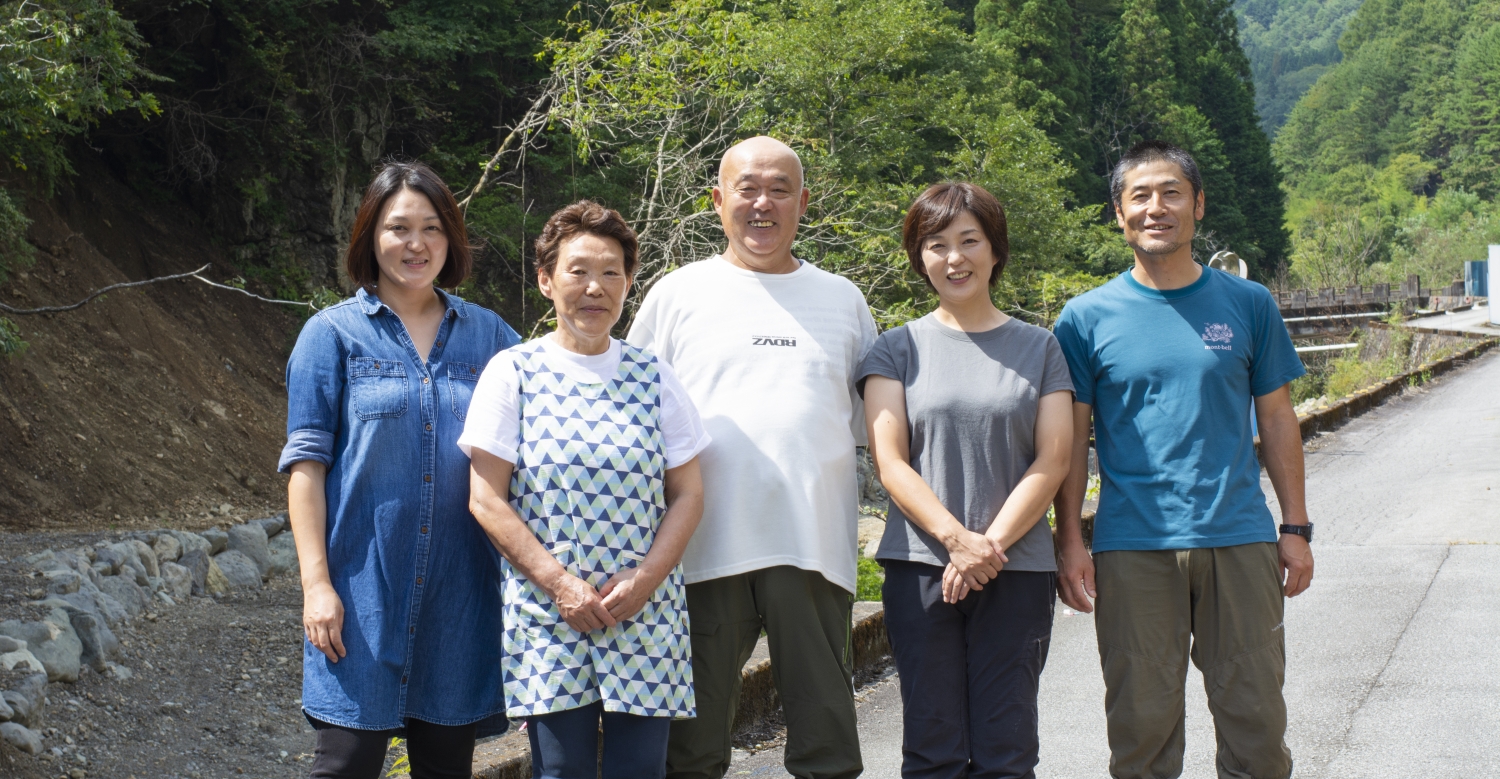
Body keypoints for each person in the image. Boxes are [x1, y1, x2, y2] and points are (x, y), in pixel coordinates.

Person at [1052, 140, 1315, 779]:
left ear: (1197, 204)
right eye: (1139, 196)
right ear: (1118, 212)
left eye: (1171, 193)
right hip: (1132, 545)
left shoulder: (1248, 304)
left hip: (1240, 538)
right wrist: (1069, 540)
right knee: (1141, 733)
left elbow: (1277, 419)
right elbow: (1069, 441)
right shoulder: (1085, 318)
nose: (1155, 208)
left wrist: (1296, 527)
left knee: (1256, 726)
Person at [627, 135, 877, 779]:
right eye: (747, 188)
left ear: (802, 202)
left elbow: (868, 424)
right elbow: (631, 419)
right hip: (700, 545)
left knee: (826, 737)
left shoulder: (844, 300)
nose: (762, 204)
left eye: (780, 189)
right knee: (692, 740)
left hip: (812, 544)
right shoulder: (675, 294)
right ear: (718, 200)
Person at [279, 161, 520, 778]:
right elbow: (306, 470)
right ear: (370, 237)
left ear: (452, 240)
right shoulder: (330, 335)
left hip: (462, 595)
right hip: (360, 594)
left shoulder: (491, 338)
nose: (416, 244)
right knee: (344, 764)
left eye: (432, 229)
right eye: (399, 228)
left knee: (445, 769)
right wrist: (317, 586)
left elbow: (545, 431)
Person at [462, 200, 710, 779]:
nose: (595, 288)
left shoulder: (654, 376)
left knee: (639, 771)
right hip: (550, 614)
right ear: (547, 280)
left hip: (646, 614)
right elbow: (485, 498)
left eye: (611, 273)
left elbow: (690, 494)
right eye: (578, 271)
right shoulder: (513, 372)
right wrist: (559, 584)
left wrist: (645, 580)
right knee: (560, 771)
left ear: (628, 283)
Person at [860, 182, 1075, 779]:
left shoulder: (1041, 348)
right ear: (919, 258)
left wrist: (988, 547)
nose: (953, 258)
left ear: (995, 250)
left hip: (1018, 567)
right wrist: (957, 540)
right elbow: (891, 461)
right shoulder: (895, 349)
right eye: (936, 244)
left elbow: (1053, 460)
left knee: (1007, 749)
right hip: (920, 567)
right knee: (933, 750)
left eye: (968, 241)